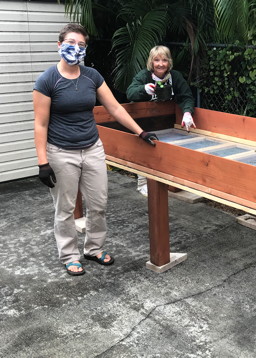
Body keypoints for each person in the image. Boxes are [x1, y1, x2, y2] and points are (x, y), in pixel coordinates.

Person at [33, 23, 158, 276]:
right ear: (59, 45)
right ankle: (69, 254)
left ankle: (94, 248)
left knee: (98, 203)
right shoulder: (47, 80)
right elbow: (40, 123)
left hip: (92, 149)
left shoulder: (92, 76)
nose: (75, 48)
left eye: (80, 45)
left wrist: (140, 131)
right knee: (65, 208)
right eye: (70, 43)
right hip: (61, 152)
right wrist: (42, 162)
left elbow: (115, 108)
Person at [126, 45, 195, 196]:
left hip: (166, 123)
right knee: (144, 151)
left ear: (169, 62)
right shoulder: (144, 76)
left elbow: (186, 96)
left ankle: (168, 182)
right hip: (144, 122)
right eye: (157, 60)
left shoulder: (175, 77)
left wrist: (187, 112)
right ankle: (143, 183)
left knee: (167, 152)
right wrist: (144, 89)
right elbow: (130, 93)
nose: (160, 64)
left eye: (164, 60)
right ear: (151, 62)